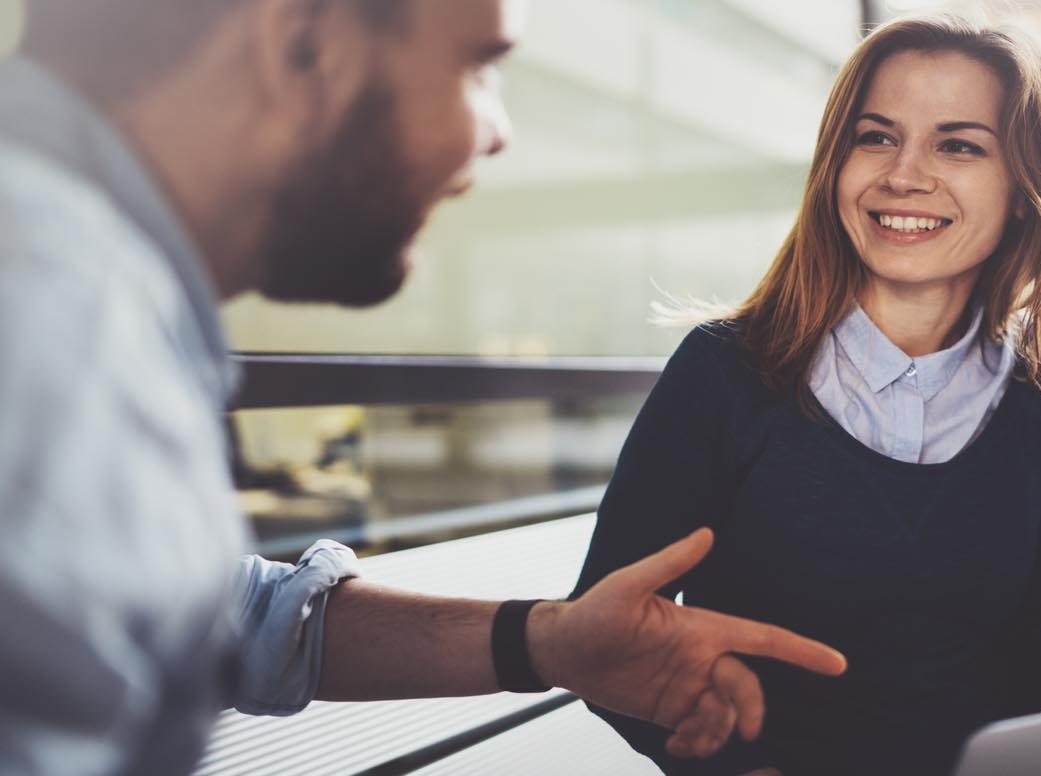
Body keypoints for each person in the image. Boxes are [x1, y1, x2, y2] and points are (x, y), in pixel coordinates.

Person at [0, 1, 849, 773]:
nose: (497, 133)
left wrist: (544, 642)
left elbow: (223, 617)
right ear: (304, 45)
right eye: (479, 66)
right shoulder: (59, 324)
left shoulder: (83, 289)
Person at [573, 14, 1041, 776]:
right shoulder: (722, 372)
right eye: (875, 137)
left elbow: (1030, 666)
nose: (903, 174)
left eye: (958, 144)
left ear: (1024, 187)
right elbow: (606, 646)